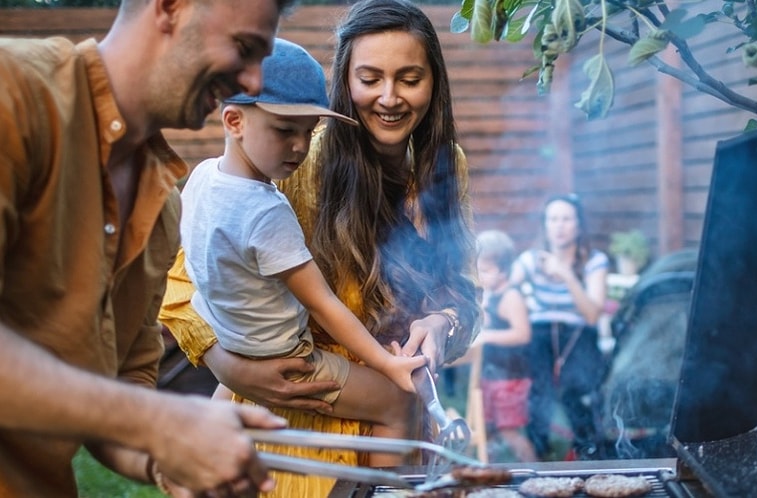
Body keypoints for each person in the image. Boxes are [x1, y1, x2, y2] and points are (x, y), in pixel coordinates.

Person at [159, 0, 481, 495]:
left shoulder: (445, 164)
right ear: (344, 81)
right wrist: (233, 367)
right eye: (370, 78)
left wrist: (443, 324)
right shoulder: (295, 156)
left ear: (433, 82)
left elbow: (464, 292)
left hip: (395, 430)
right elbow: (186, 283)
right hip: (295, 428)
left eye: (409, 78)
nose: (389, 97)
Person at [0, 0, 295, 496]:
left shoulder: (162, 203)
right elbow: (136, 411)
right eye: (244, 49)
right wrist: (157, 420)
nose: (251, 83)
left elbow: (123, 385)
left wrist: (171, 457)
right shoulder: (16, 93)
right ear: (171, 7)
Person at [180, 37, 429, 464]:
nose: (299, 146)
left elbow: (203, 267)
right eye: (284, 130)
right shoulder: (265, 211)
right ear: (234, 120)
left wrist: (227, 356)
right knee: (397, 404)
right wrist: (389, 367)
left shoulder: (202, 178)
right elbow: (323, 305)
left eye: (309, 131)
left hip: (233, 339)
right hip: (288, 359)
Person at [509, 193, 610, 461]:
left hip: (578, 333)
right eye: (553, 219)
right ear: (545, 224)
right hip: (540, 332)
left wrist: (567, 275)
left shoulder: (594, 261)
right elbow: (504, 285)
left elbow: (591, 315)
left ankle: (589, 452)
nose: (559, 225)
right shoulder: (531, 259)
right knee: (539, 392)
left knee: (579, 390)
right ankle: (540, 453)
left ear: (578, 225)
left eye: (566, 219)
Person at [471, 230, 537, 463]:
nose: (480, 276)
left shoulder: (511, 297)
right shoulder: (490, 294)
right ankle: (489, 474)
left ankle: (536, 472)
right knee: (488, 428)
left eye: (486, 271)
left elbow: (522, 334)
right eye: (478, 269)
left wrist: (488, 336)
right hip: (491, 374)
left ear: (504, 271)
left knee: (509, 432)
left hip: (510, 378)